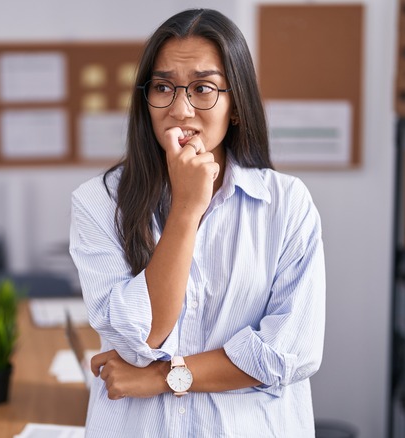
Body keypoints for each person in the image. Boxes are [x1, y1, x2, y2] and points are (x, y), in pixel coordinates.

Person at [69, 8, 325, 437]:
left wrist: (160, 377)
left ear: (236, 105)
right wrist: (187, 207)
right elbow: (141, 338)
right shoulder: (100, 202)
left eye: (203, 88)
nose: (180, 110)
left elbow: (287, 355)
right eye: (164, 87)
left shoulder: (286, 204)